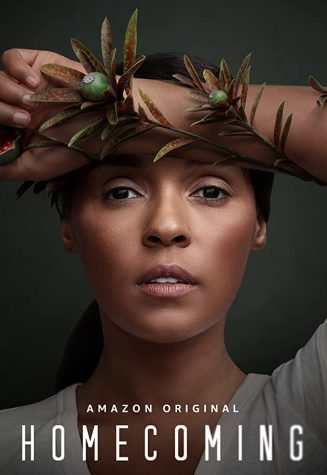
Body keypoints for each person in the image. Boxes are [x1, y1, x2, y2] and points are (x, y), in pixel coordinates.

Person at [0, 42, 326, 475]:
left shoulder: (310, 418)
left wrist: (113, 102)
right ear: (69, 225)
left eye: (210, 190)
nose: (167, 225)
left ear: (258, 224)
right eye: (122, 191)